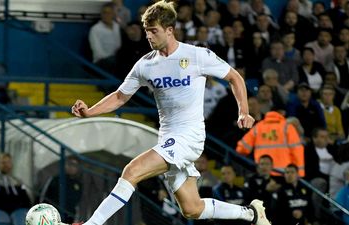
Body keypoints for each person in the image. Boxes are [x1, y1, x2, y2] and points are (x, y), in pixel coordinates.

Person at [70, 1, 270, 225]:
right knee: (192, 209)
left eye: (154, 31)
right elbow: (119, 96)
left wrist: (243, 111)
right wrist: (90, 112)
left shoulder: (196, 55)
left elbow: (235, 77)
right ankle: (251, 214)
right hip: (168, 138)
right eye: (147, 31)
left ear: (169, 30)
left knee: (131, 171)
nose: (149, 37)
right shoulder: (144, 65)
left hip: (189, 137)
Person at [236, 108, 305, 177]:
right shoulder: (287, 127)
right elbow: (297, 151)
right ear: (280, 114)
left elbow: (242, 149)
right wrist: (300, 173)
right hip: (283, 172)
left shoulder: (258, 127)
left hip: (263, 171)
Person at [40, 156, 83, 223]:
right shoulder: (56, 179)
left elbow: (77, 202)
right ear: (65, 165)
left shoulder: (78, 184)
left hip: (68, 218)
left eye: (74, 165)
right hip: (52, 216)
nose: (71, 167)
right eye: (69, 164)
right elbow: (44, 196)